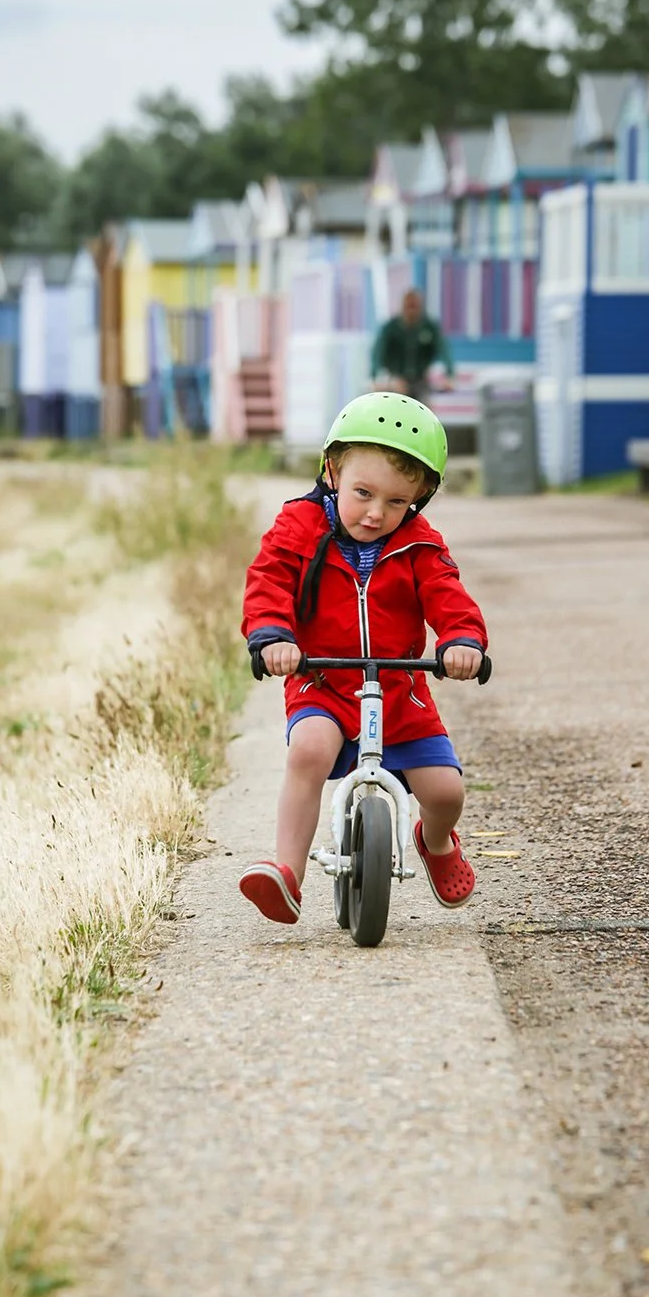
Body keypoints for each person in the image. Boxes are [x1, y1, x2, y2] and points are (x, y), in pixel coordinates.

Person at [238, 391, 488, 926]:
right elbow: (268, 581)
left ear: (418, 500)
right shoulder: (297, 529)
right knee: (309, 750)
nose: (376, 514)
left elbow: (448, 594)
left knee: (446, 792)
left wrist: (461, 639)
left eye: (397, 502)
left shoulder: (420, 545)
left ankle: (435, 840)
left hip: (399, 691)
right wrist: (272, 635)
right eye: (364, 493)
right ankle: (287, 872)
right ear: (331, 471)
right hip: (321, 681)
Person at [370, 288, 454, 406]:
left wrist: (449, 375)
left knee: (424, 410)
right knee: (394, 408)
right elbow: (377, 353)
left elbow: (444, 349)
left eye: (415, 308)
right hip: (396, 378)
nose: (412, 312)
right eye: (409, 307)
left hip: (420, 379)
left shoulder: (429, 327)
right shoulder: (390, 328)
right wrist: (376, 377)